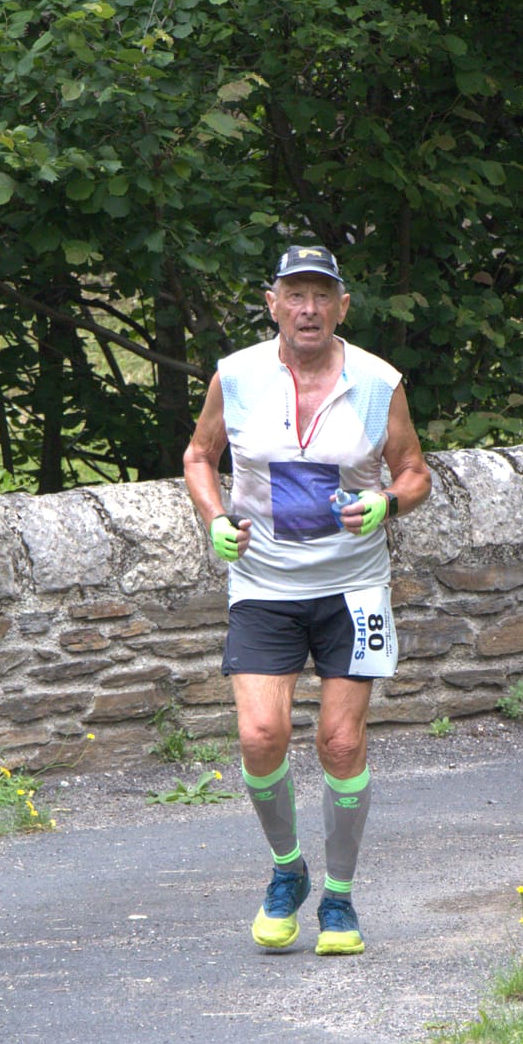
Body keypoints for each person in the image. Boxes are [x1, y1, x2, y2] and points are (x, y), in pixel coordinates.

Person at [181, 243, 433, 956]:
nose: (308, 308)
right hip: (263, 585)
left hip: (353, 585)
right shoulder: (235, 376)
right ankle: (288, 871)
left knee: (341, 740)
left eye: (322, 295)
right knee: (260, 735)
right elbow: (200, 455)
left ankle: (342, 900)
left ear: (342, 306)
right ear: (273, 303)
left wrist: (386, 502)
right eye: (295, 293)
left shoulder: (380, 383)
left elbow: (415, 473)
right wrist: (215, 520)